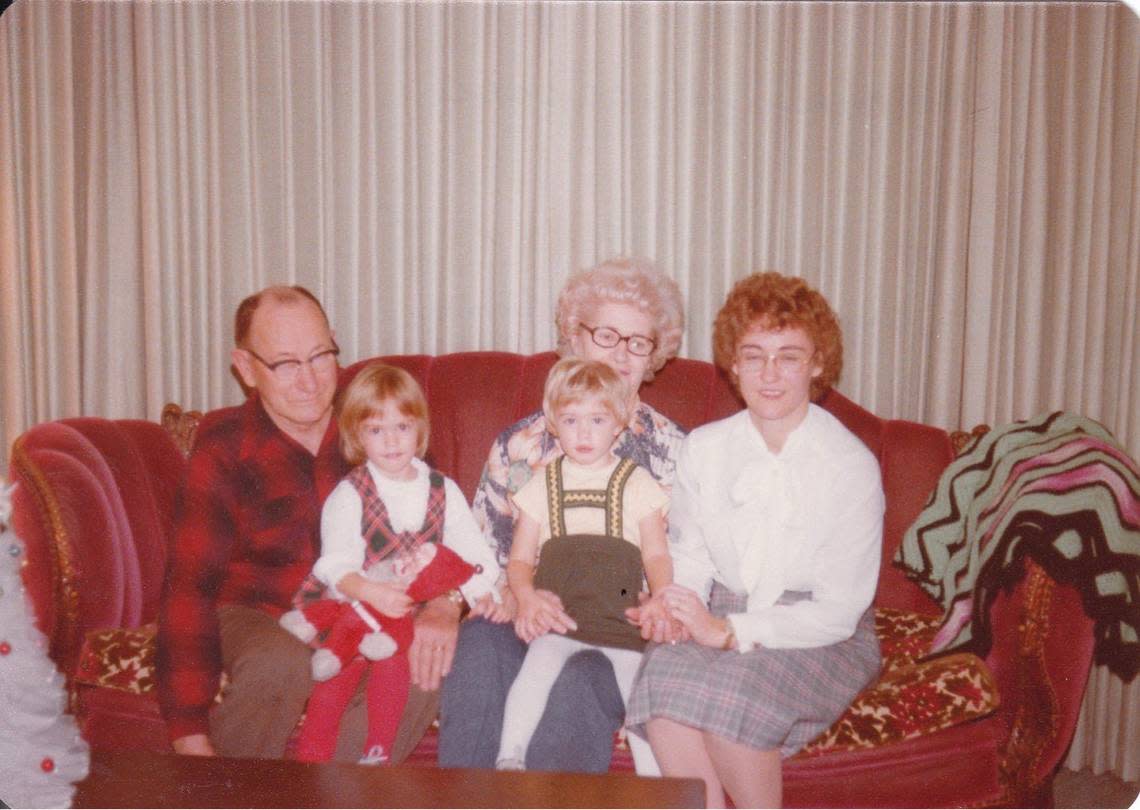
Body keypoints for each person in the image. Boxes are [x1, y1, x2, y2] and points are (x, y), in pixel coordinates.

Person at [156, 285, 459, 761]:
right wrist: (189, 731)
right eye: (285, 364)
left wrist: (444, 602)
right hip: (258, 612)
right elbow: (189, 589)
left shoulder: (380, 429)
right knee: (281, 664)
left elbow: (444, 536)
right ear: (246, 367)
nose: (309, 381)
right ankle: (222, 795)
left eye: (320, 356)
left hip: (366, 611)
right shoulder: (224, 450)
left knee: (425, 667)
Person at [625, 272, 884, 808]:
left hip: (818, 628)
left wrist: (727, 632)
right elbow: (691, 552)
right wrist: (677, 606)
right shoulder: (706, 447)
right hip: (722, 608)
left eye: (788, 356)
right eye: (754, 355)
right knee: (665, 683)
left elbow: (840, 608)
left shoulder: (849, 464)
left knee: (732, 697)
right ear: (733, 364)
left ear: (816, 364)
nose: (770, 374)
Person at [439, 257, 688, 773]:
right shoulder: (521, 445)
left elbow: (687, 557)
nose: (621, 354)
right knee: (481, 646)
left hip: (624, 625)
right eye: (606, 336)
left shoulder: (676, 452)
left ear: (654, 355)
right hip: (533, 614)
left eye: (637, 342)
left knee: (585, 673)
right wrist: (520, 597)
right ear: (574, 338)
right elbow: (484, 557)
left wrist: (657, 603)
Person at [280, 363, 503, 764]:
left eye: (402, 427)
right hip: (356, 605)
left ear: (420, 429)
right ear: (357, 436)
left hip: (405, 616)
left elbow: (480, 558)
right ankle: (310, 767)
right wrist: (370, 591)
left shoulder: (442, 489)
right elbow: (333, 564)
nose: (391, 441)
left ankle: (376, 756)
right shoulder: (350, 493)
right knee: (335, 678)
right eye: (376, 430)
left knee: (397, 669)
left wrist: (469, 592)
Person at [495, 359, 671, 770]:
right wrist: (525, 596)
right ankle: (509, 758)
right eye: (571, 420)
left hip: (622, 617)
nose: (584, 432)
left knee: (639, 693)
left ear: (620, 423)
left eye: (597, 419)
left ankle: (654, 779)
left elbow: (657, 554)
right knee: (535, 672)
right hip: (561, 617)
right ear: (554, 424)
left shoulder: (637, 482)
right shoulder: (541, 483)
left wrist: (660, 597)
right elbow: (519, 560)